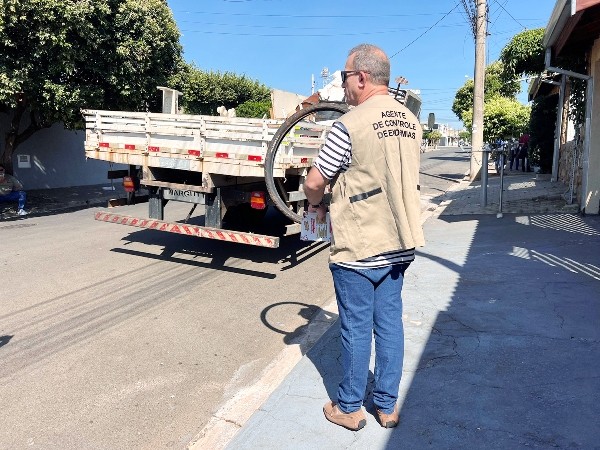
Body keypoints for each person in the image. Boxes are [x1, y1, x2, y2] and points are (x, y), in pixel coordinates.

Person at [303, 44, 425, 431]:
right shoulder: (411, 121)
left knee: (356, 326)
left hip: (360, 244)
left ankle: (350, 407)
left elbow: (315, 181)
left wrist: (316, 205)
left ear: (361, 77)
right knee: (389, 323)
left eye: (343, 76)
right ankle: (387, 407)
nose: (343, 85)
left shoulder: (349, 125)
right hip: (400, 240)